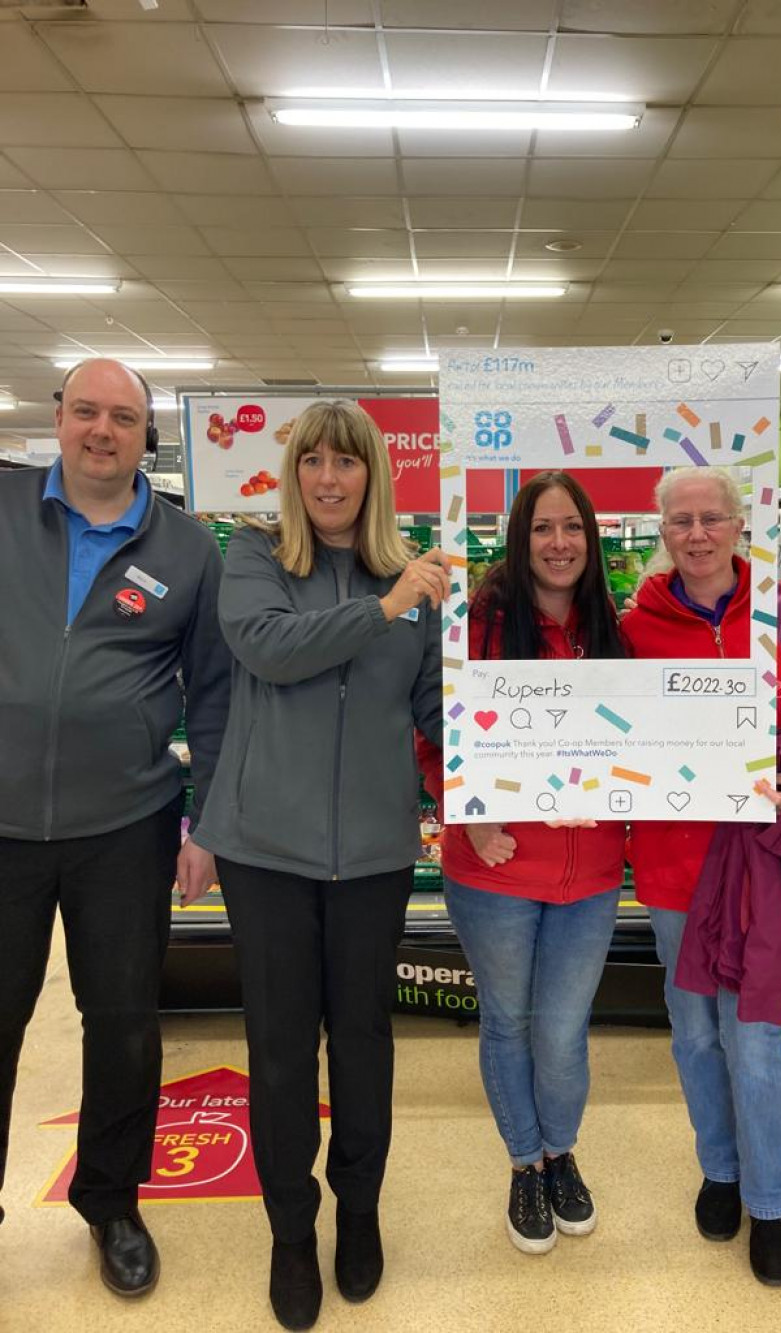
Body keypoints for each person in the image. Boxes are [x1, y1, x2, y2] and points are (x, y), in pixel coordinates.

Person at [192, 400, 448, 1331]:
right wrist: (383, 606)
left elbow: (433, 708)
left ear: (374, 475)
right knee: (280, 1048)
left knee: (366, 1041)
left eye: (348, 464)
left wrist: (526, 760)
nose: (331, 480)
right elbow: (267, 648)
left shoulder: (409, 576)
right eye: (315, 463)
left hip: (376, 851)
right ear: (294, 474)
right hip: (267, 848)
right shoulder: (256, 556)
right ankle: (291, 1230)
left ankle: (361, 1210)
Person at [0, 358, 230, 1295]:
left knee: (126, 1024)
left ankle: (113, 1200)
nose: (103, 430)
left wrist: (204, 821)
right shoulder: (7, 509)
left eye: (123, 417)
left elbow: (212, 695)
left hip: (128, 824)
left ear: (148, 435)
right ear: (59, 419)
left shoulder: (186, 548)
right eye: (87, 412)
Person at [622, 465, 781, 1287]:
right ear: (664, 531)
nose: (696, 534)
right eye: (680, 520)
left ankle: (771, 1202)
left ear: (738, 524)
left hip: (763, 868)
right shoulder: (634, 625)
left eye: (711, 518)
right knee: (693, 1036)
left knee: (755, 1040)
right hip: (672, 868)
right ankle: (719, 1169)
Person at [419, 471, 627, 1255]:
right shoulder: (478, 622)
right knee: (508, 1022)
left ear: (591, 538)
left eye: (572, 526)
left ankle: (562, 1150)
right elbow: (434, 730)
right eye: (542, 528)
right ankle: (526, 1162)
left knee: (565, 1030)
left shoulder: (612, 624)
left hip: (593, 872)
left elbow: (645, 740)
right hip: (496, 866)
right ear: (519, 536)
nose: (559, 542)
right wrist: (470, 815)